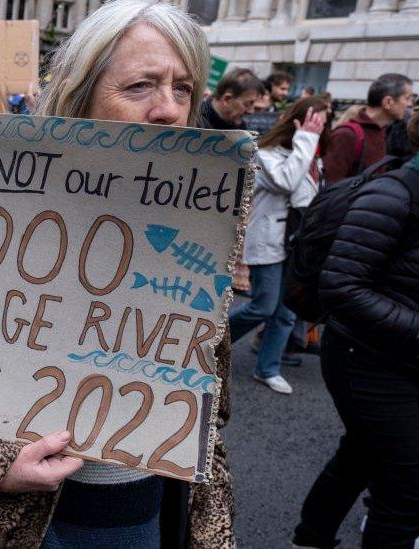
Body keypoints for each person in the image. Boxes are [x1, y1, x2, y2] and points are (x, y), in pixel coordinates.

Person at [0, 2, 235, 547]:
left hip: (150, 519)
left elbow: (212, 417)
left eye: (183, 88)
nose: (168, 109)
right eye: (141, 85)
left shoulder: (195, 231)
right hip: (34, 526)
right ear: (79, 94)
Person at [292, 105, 419, 549]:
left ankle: (310, 538)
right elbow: (341, 287)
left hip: (398, 356)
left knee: (363, 455)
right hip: (365, 359)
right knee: (406, 491)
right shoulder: (393, 195)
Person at [229, 97, 329, 395]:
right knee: (263, 306)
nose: (320, 128)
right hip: (270, 240)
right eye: (315, 121)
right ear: (298, 122)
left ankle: (267, 368)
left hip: (297, 244)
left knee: (286, 312)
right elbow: (287, 181)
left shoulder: (310, 156)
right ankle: (210, 343)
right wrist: (307, 140)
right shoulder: (267, 153)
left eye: (322, 123)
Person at [324, 73, 413, 183]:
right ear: (388, 102)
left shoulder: (382, 131)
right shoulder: (345, 135)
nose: (410, 104)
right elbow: (329, 188)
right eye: (407, 98)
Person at [197, 67, 265, 130]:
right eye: (247, 104)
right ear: (227, 99)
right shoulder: (193, 120)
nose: (251, 111)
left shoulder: (241, 129)